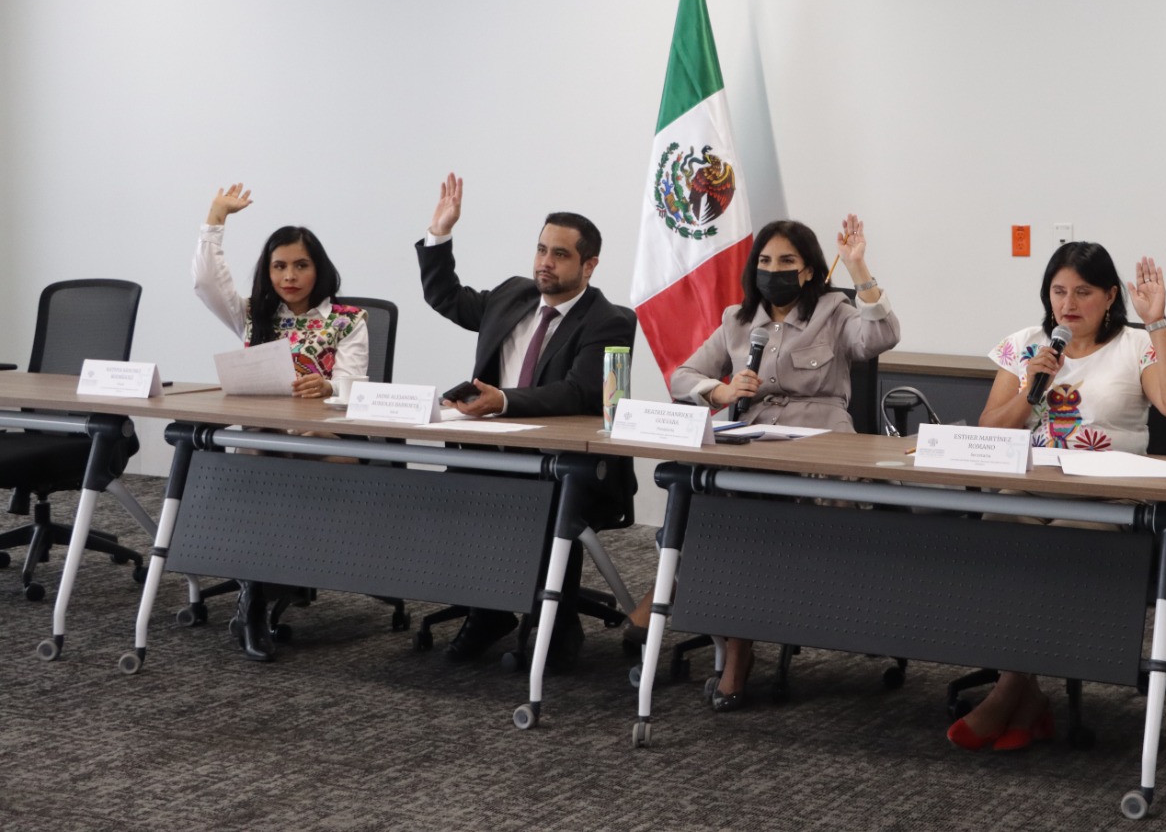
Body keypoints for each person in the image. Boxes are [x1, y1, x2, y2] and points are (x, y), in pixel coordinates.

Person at [946, 240, 1166, 751]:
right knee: (996, 533)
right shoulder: (1026, 345)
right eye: (1058, 292)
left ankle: (1010, 692)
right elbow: (990, 429)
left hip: (1107, 501)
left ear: (1110, 296)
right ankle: (1029, 697)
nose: (1068, 304)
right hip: (1031, 492)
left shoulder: (1137, 343)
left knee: (1062, 544)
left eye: (1083, 292)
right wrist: (1030, 388)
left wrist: (1158, 322)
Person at [657, 215, 901, 710]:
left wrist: (858, 267)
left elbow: (881, 337)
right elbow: (682, 376)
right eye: (765, 261)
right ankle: (737, 642)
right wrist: (720, 391)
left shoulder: (834, 310)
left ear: (808, 270)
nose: (774, 270)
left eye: (787, 260)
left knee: (770, 520)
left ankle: (740, 641)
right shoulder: (737, 319)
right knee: (715, 508)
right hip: (755, 443)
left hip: (821, 443)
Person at [416, 172, 637, 666]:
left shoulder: (610, 319)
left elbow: (583, 392)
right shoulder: (512, 296)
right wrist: (440, 234)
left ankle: (555, 626)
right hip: (492, 451)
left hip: (570, 463)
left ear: (589, 265)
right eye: (541, 250)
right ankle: (489, 609)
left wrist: (504, 401)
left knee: (538, 499)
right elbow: (445, 297)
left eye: (560, 254)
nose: (545, 263)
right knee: (446, 492)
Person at [193, 183, 370, 661]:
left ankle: (268, 584)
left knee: (325, 468)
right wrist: (216, 218)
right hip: (265, 435)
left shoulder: (348, 319)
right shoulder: (254, 314)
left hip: (321, 435)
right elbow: (207, 283)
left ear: (319, 269)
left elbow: (355, 382)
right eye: (279, 266)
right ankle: (254, 596)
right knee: (253, 459)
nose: (289, 276)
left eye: (300, 265)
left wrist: (329, 386)